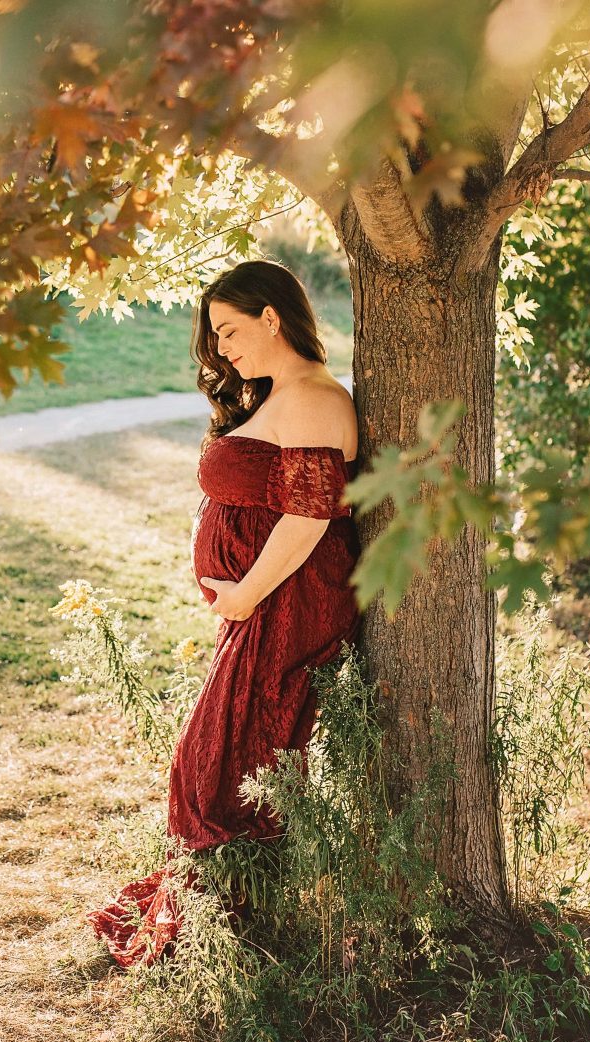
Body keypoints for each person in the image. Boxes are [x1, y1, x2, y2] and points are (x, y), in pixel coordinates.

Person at [85, 259, 363, 968]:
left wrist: (244, 593)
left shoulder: (315, 399)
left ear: (272, 316)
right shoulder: (279, 394)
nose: (222, 348)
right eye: (215, 337)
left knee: (219, 770)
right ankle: (226, 921)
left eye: (230, 330)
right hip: (263, 605)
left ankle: (235, 931)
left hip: (288, 604)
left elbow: (309, 518)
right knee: (220, 760)